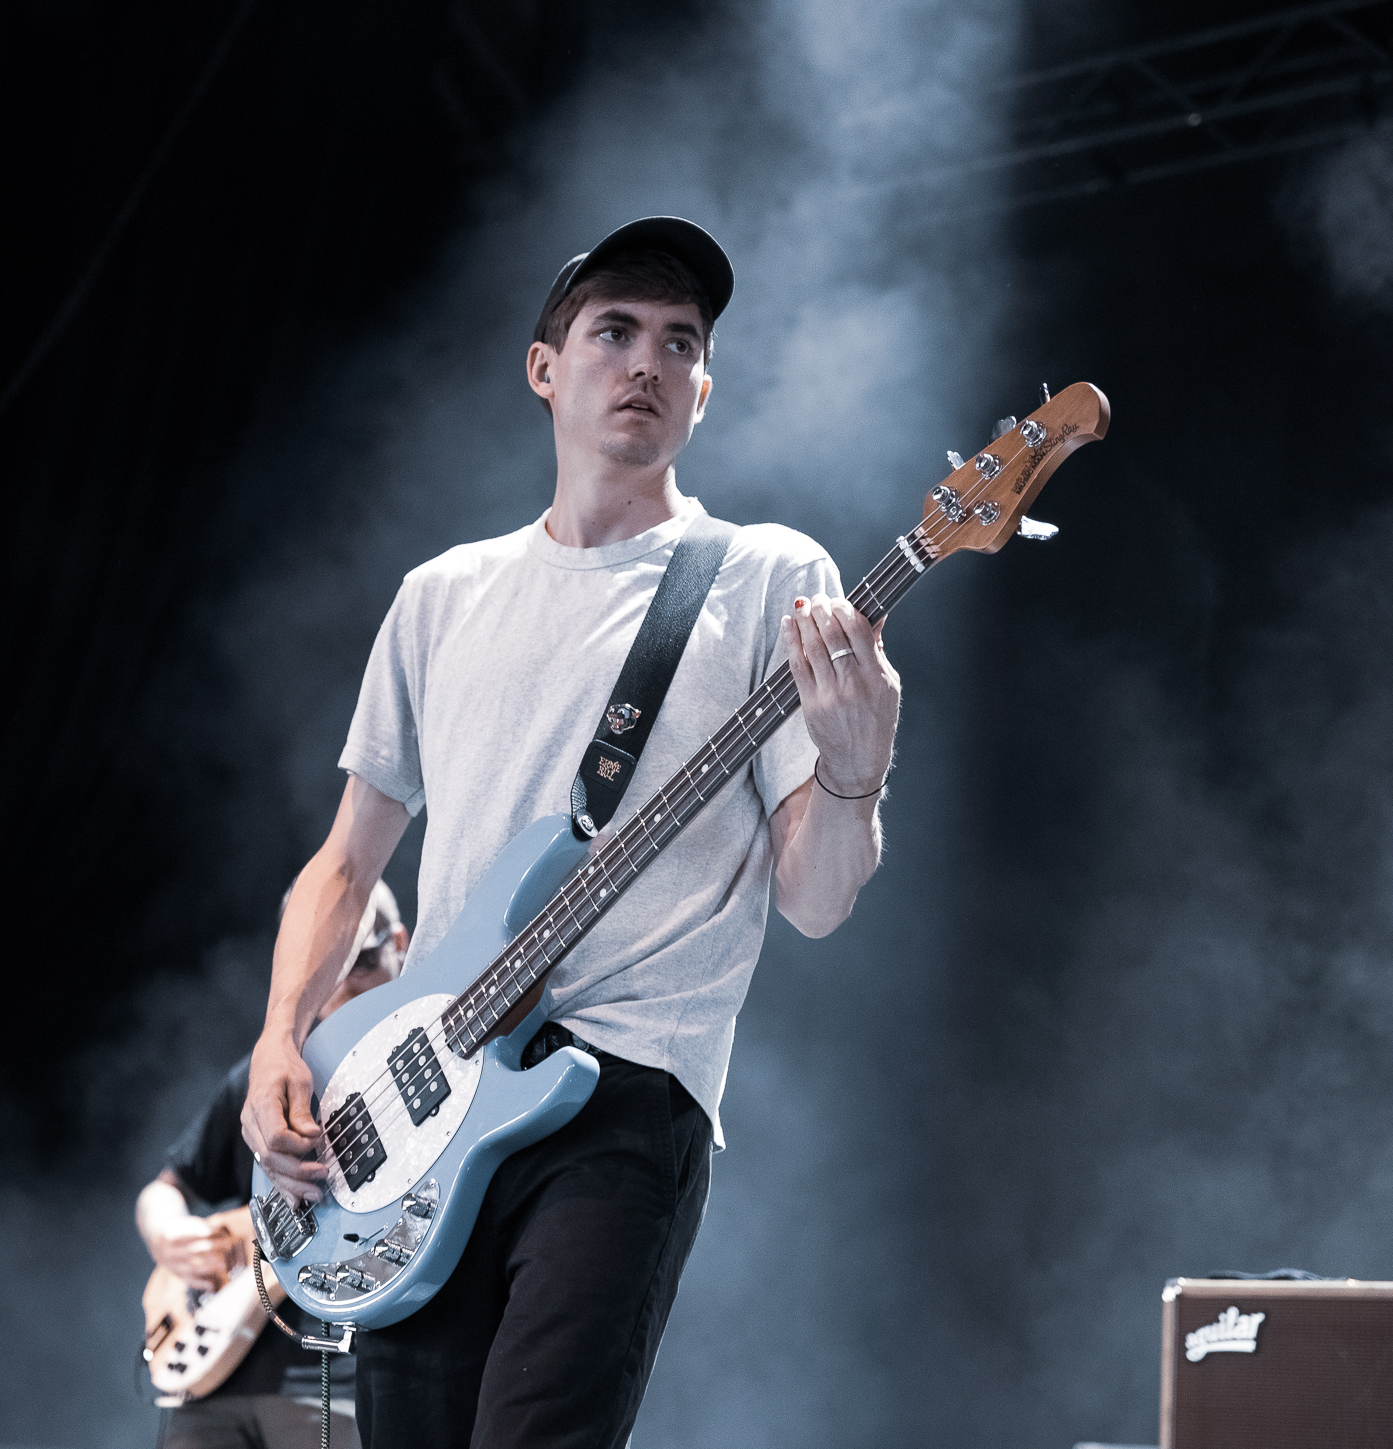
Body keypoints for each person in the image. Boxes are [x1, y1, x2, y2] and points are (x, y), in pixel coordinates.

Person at [240, 216, 902, 1449]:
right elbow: (345, 862)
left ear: (705, 389)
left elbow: (816, 903)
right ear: (544, 368)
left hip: (626, 1097)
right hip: (425, 1104)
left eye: (680, 342)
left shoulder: (767, 578)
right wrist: (282, 1036)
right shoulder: (440, 596)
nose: (647, 361)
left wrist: (857, 773)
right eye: (614, 331)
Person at [137, 880, 409, 1449]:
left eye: (358, 964)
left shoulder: (422, 1068)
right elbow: (168, 1186)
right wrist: (168, 1234)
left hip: (334, 1382)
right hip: (213, 1383)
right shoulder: (267, 1080)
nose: (340, 988)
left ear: (399, 946)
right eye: (324, 968)